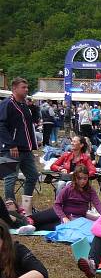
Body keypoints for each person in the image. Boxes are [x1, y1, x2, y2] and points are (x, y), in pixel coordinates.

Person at [0, 77, 39, 215]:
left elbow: (28, 127)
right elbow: (1, 125)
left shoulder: (24, 105)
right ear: (15, 88)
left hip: (25, 148)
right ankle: (10, 210)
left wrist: (32, 145)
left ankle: (25, 207)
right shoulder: (7, 104)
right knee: (10, 177)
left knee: (33, 175)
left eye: (27, 87)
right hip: (11, 148)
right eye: (24, 87)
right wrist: (11, 144)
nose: (26, 90)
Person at [28, 165, 101, 231]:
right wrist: (63, 217)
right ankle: (24, 221)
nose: (82, 181)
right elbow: (57, 204)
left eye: (85, 178)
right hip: (61, 213)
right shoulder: (69, 188)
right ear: (75, 178)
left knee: (49, 227)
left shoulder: (90, 190)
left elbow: (98, 205)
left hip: (75, 219)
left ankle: (31, 228)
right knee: (36, 219)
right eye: (80, 178)